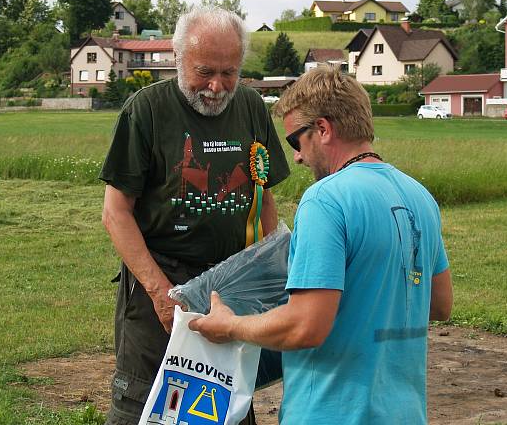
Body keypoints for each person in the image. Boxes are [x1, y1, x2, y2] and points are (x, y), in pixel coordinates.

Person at [190, 66, 453, 424]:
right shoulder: (420, 197)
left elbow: (305, 326)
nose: (296, 157)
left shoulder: (325, 200)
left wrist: (230, 325)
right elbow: (439, 304)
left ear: (323, 129)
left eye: (295, 142)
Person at [99, 6, 291, 425]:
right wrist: (160, 294)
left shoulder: (252, 108)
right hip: (161, 289)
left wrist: (270, 277)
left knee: (226, 403)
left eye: (229, 72)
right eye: (205, 71)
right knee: (146, 406)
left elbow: (265, 200)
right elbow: (116, 214)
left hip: (233, 285)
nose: (217, 86)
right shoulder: (146, 110)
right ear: (178, 56)